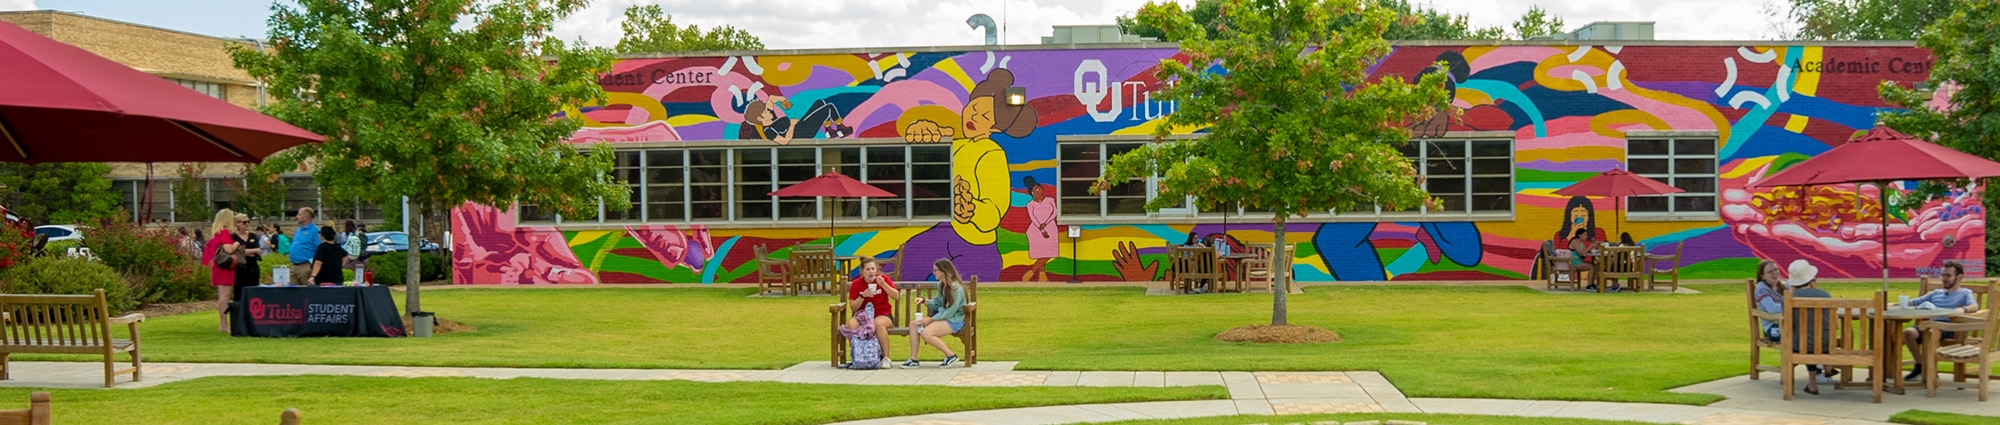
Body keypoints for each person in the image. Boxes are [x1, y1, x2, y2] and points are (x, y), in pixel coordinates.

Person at [1903, 260, 1981, 382]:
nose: (1944, 279)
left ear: (1959, 277)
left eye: (1948, 275)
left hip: (1949, 328)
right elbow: (1914, 302)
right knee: (1908, 332)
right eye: (1943, 275)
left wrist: (1962, 309)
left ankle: (1929, 370)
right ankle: (1921, 365)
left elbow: (1974, 306)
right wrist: (1896, 303)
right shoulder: (1936, 293)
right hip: (1930, 326)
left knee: (1930, 332)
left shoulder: (1965, 293)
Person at [1782, 259, 1837, 394]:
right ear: (1811, 278)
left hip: (1802, 345)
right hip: (1826, 345)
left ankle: (1812, 384)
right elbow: (1835, 325)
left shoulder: (1788, 298)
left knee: (1805, 338)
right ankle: (1828, 366)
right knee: (1816, 337)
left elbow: (1790, 325)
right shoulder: (1825, 296)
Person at [901, 259, 967, 369]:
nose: (933, 272)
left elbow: (951, 310)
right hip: (943, 317)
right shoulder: (941, 285)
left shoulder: (956, 288)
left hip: (954, 320)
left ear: (943, 271)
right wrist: (924, 301)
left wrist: (931, 319)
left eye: (935, 270)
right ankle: (913, 359)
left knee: (926, 334)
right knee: (914, 325)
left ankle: (951, 356)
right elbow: (937, 303)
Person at [846, 257, 901, 366]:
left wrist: (883, 285)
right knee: (851, 324)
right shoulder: (857, 284)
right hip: (863, 316)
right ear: (862, 271)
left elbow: (896, 296)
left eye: (873, 269)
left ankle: (886, 358)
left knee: (878, 323)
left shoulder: (883, 279)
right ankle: (858, 355)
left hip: (883, 314)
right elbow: (853, 307)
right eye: (868, 269)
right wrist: (862, 295)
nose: (871, 272)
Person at [200, 210, 240, 333]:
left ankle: (223, 323)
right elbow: (228, 249)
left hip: (218, 267)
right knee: (225, 296)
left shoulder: (216, 233)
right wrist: (237, 244)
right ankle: (224, 324)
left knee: (222, 295)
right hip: (224, 268)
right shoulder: (224, 232)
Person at [1022, 176, 1058, 282]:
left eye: (1039, 188)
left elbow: (1054, 213)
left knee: (1049, 252)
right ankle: (1041, 275)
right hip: (1036, 231)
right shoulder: (1030, 204)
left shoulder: (1050, 200)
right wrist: (1041, 229)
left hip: (1051, 228)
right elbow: (1033, 218)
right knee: (1042, 253)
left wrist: (1045, 223)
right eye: (1035, 189)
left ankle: (1032, 272)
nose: (1038, 190)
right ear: (1031, 193)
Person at [231, 215, 265, 290]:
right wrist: (254, 250)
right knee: (239, 292)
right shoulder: (233, 237)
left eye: (248, 222)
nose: (247, 224)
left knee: (254, 292)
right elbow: (237, 252)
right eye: (244, 222)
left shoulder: (253, 235)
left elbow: (259, 251)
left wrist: (245, 251)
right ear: (237, 223)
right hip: (240, 269)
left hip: (253, 268)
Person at [289, 208, 320, 286]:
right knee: (293, 293)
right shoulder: (298, 230)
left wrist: (312, 266)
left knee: (307, 294)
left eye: (299, 214)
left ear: (305, 217)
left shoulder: (315, 231)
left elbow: (319, 249)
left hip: (306, 266)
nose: (297, 216)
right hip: (294, 266)